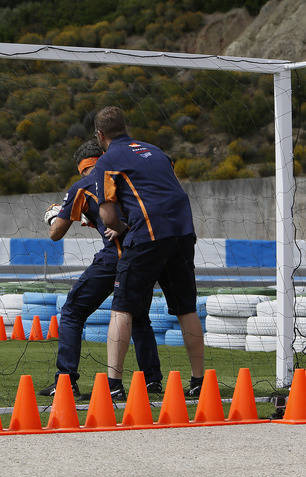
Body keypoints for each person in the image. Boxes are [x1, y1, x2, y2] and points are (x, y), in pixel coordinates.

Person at [92, 106, 204, 398]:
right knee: (186, 308)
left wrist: (122, 226)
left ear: (100, 135)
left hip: (148, 235)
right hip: (182, 232)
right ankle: (199, 381)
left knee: (122, 307)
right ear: (125, 127)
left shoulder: (108, 161)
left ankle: (114, 385)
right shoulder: (156, 151)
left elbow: (107, 216)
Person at [38, 140, 163, 400]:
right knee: (138, 317)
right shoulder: (127, 177)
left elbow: (56, 234)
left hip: (115, 257)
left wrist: (54, 215)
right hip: (145, 256)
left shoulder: (81, 187)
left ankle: (66, 381)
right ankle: (152, 382)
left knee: (72, 310)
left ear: (81, 167)